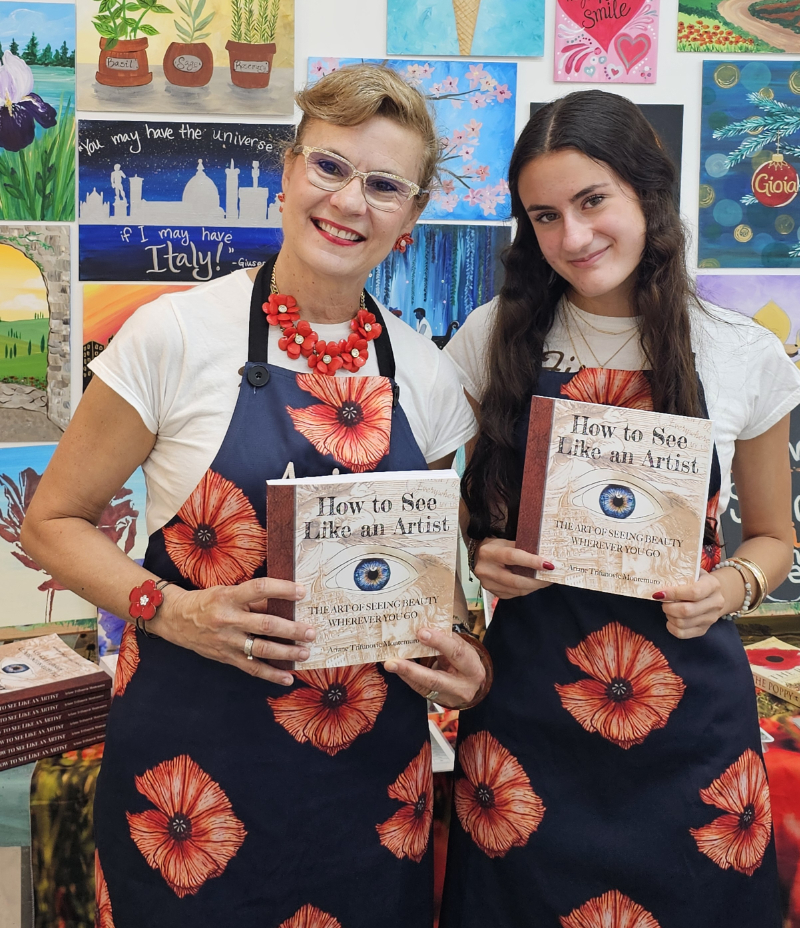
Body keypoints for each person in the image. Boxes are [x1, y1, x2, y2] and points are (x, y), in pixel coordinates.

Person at [21, 65, 487, 928]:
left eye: (384, 185)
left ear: (412, 216)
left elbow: (432, 581)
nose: (349, 202)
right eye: (330, 167)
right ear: (287, 171)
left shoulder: (426, 375)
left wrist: (461, 655)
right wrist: (169, 608)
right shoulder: (172, 335)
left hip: (369, 798)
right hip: (190, 782)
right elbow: (51, 523)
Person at [439, 90, 800, 928]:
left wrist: (730, 587)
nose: (572, 237)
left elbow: (775, 536)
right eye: (545, 215)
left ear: (648, 192)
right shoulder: (490, 337)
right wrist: (481, 553)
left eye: (592, 201)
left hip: (692, 731)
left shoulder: (740, 351)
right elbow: (441, 505)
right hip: (527, 720)